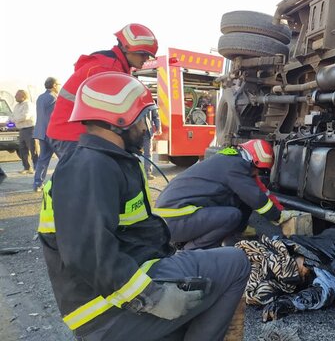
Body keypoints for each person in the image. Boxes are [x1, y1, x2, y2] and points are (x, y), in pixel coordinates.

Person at [38, 72, 250, 341]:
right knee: (236, 263)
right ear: (119, 121)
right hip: (105, 313)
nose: (145, 128)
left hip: (115, 293)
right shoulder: (91, 167)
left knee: (198, 285)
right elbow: (89, 255)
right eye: (141, 119)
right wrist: (151, 298)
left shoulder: (104, 161)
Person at [46, 23, 158, 161]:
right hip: (72, 133)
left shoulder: (114, 67)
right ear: (124, 47)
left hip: (72, 132)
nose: (146, 59)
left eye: (149, 55)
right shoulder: (106, 69)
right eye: (142, 53)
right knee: (91, 176)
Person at [154, 139, 283, 249]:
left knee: (238, 202)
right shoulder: (235, 167)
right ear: (253, 161)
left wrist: (281, 210)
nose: (257, 173)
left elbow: (260, 191)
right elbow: (256, 199)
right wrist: (278, 217)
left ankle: (234, 232)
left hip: (171, 216)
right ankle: (191, 251)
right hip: (174, 220)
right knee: (233, 216)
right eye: (259, 170)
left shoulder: (229, 159)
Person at [235, 227, 335, 322]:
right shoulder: (286, 248)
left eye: (300, 270)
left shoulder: (328, 265)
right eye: (300, 272)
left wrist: (289, 303)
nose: (303, 270)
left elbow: (323, 292)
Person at [33, 77, 61, 192]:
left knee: (43, 159)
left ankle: (38, 184)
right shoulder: (53, 98)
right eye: (58, 84)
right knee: (65, 158)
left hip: (41, 133)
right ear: (54, 85)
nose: (59, 86)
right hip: (52, 133)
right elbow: (57, 116)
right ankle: (67, 182)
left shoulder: (40, 97)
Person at [11, 89, 38, 174]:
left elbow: (25, 116)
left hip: (30, 129)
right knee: (22, 150)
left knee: (33, 149)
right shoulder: (16, 106)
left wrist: (15, 120)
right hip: (21, 130)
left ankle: (37, 168)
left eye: (17, 95)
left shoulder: (28, 105)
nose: (15, 97)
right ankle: (27, 168)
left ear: (23, 96)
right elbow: (12, 117)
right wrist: (13, 120)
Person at [142, 107, 161, 180]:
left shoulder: (150, 101)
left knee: (148, 153)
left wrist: (158, 127)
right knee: (131, 152)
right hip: (135, 131)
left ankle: (148, 173)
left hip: (147, 131)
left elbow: (155, 116)